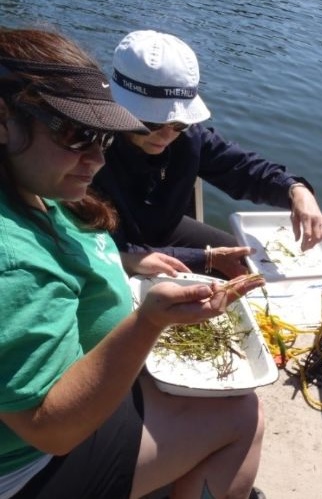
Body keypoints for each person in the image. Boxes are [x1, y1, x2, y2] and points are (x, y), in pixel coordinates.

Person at [0, 27, 268, 499]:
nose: (98, 159)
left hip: (93, 395)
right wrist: (147, 322)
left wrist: (134, 271)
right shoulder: (11, 261)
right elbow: (51, 430)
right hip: (32, 467)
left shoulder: (45, 187)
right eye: (78, 135)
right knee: (243, 415)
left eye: (106, 136)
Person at [91, 29, 322, 280]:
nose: (167, 135)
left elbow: (243, 168)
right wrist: (206, 258)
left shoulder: (190, 138)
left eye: (179, 123)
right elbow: (99, 249)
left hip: (162, 231)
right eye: (152, 123)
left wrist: (296, 190)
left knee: (247, 264)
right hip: (107, 249)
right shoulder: (86, 150)